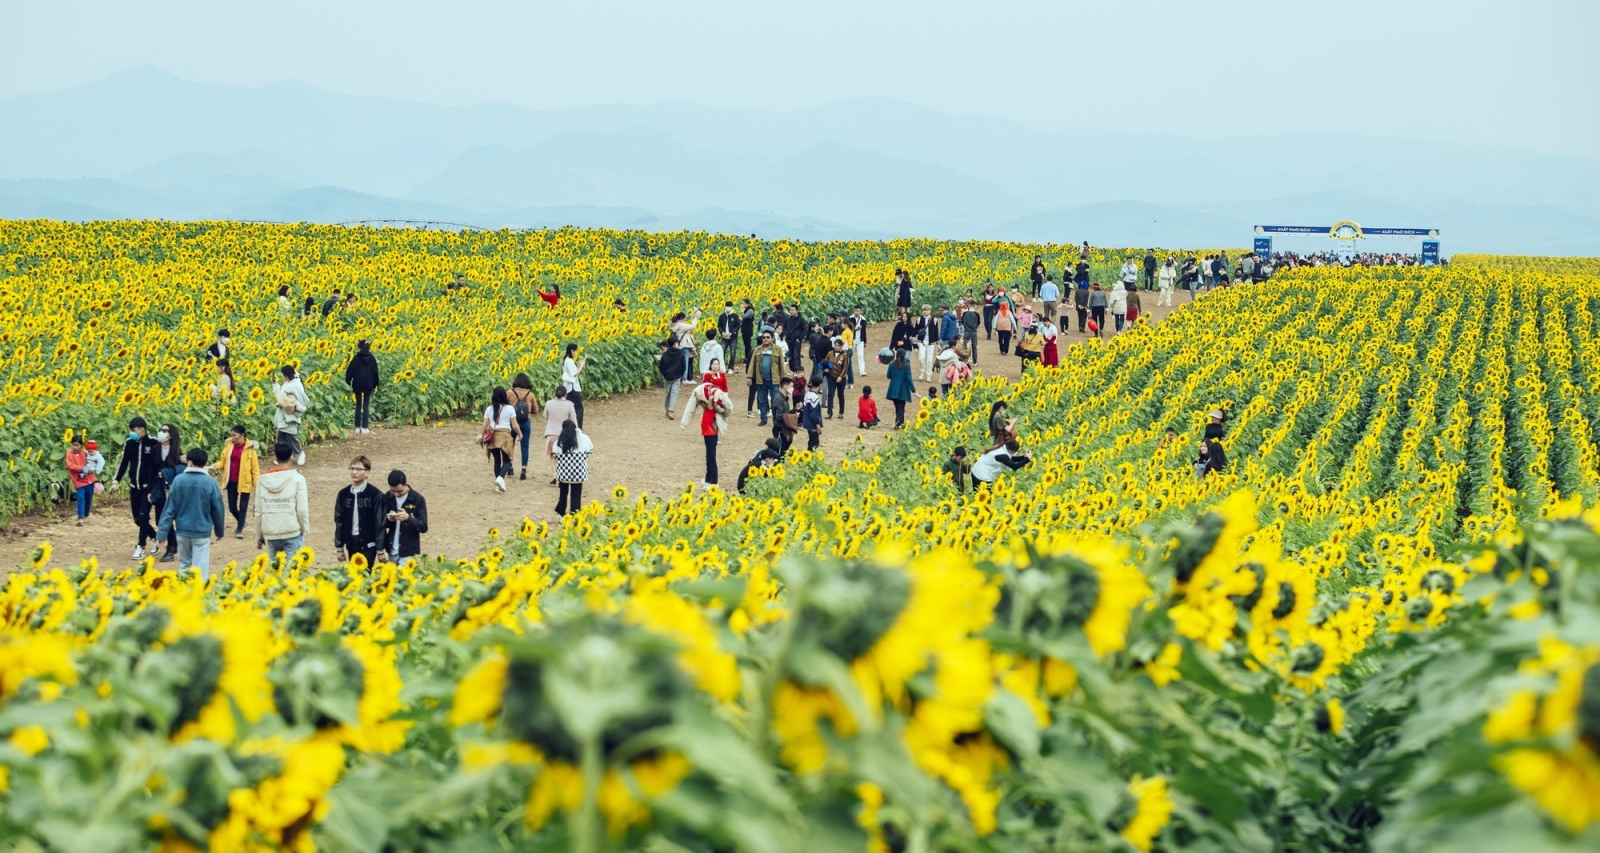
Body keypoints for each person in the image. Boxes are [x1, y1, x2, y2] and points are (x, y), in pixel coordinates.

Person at [154, 448, 226, 578]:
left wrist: (161, 534)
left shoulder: (178, 480)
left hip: (182, 531)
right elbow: (218, 508)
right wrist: (219, 531)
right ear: (204, 464)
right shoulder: (210, 482)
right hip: (201, 531)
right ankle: (199, 594)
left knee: (184, 565)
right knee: (200, 568)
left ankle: (183, 593)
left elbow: (169, 509)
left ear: (190, 463)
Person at [109, 417, 162, 558]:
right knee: (138, 519)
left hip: (148, 488)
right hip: (134, 487)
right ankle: (155, 537)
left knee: (144, 517)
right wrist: (116, 482)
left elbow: (159, 464)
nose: (131, 433)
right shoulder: (129, 443)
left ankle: (140, 547)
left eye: (134, 430)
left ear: (142, 430)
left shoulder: (154, 443)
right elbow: (123, 464)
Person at [255, 441, 310, 566]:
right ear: (292, 457)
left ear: (274, 457)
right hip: (292, 530)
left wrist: (259, 535)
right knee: (291, 574)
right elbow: (301, 510)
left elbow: (258, 510)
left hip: (271, 532)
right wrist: (303, 528)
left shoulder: (263, 480)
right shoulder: (298, 479)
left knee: (276, 574)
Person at [333, 455, 385, 566]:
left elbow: (380, 522)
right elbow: (339, 521)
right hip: (351, 542)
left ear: (367, 472)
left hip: (369, 543)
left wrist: (380, 549)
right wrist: (339, 547)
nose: (354, 472)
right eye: (352, 468)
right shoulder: (343, 494)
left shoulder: (375, 495)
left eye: (358, 469)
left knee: (365, 574)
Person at [209, 424, 259, 539]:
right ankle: (242, 521)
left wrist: (256, 483)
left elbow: (255, 468)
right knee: (232, 507)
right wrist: (215, 466)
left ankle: (239, 528)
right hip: (231, 480)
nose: (233, 438)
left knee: (243, 505)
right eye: (231, 435)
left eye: (235, 435)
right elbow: (223, 461)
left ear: (242, 435)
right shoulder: (229, 446)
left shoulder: (251, 449)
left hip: (245, 481)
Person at [152, 423, 185, 562]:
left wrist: (166, 473)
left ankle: (171, 547)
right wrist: (150, 490)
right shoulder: (155, 450)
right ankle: (174, 543)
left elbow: (182, 470)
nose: (161, 432)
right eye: (160, 430)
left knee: (171, 516)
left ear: (171, 434)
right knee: (160, 519)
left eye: (164, 430)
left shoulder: (178, 453)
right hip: (158, 488)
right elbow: (151, 471)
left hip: (172, 490)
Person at [381, 470, 428, 563]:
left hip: (409, 552)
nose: (396, 494)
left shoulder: (417, 499)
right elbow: (381, 523)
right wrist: (389, 519)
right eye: (392, 491)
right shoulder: (387, 497)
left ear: (406, 484)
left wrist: (408, 518)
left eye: (399, 491)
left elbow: (423, 527)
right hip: (392, 551)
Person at [482, 386, 521, 493]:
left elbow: (484, 425)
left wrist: (481, 436)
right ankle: (500, 478)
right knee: (508, 460)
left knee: (497, 461)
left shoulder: (489, 409)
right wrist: (520, 434)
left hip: (493, 436)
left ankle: (498, 485)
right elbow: (515, 426)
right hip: (505, 436)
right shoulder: (510, 408)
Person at [552, 420, 594, 516]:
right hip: (578, 472)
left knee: (563, 493)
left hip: (564, 473)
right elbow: (590, 450)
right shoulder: (583, 438)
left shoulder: (559, 440)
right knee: (576, 494)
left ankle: (561, 514)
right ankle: (575, 515)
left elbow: (555, 454)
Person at [748, 331, 787, 425]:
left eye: (768, 337)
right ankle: (764, 419)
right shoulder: (757, 349)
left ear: (772, 339)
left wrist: (784, 380)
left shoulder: (777, 349)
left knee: (776, 400)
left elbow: (782, 365)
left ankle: (776, 419)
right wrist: (749, 377)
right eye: (764, 337)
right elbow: (752, 364)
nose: (765, 339)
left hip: (774, 380)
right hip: (761, 380)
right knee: (762, 400)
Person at [273, 365, 309, 466]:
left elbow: (299, 400)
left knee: (292, 437)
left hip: (291, 415)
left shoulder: (296, 385)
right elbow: (281, 396)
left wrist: (289, 404)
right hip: (283, 414)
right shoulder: (287, 383)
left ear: (285, 375)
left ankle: (300, 453)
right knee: (281, 437)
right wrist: (275, 385)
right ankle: (281, 457)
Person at [344, 339, 381, 434]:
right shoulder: (372, 358)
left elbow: (350, 370)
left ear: (359, 347)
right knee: (366, 406)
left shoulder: (356, 358)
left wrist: (348, 382)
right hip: (368, 385)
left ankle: (357, 427)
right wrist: (375, 385)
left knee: (358, 405)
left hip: (357, 384)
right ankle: (365, 428)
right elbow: (375, 372)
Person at [508, 374, 540, 480]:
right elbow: (536, 410)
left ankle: (510, 467)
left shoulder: (509, 393)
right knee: (525, 446)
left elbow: (503, 406)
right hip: (526, 422)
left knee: (510, 444)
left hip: (512, 422)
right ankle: (523, 470)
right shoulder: (530, 395)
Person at [542, 386, 578, 481]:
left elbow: (545, 415)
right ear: (565, 394)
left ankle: (554, 474)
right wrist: (577, 430)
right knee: (564, 454)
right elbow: (573, 419)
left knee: (552, 454)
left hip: (551, 433)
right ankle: (563, 474)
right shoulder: (569, 404)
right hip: (564, 433)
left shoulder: (549, 403)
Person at [66, 436, 97, 526]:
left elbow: (93, 461)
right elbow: (70, 466)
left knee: (88, 498)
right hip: (78, 481)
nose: (75, 447)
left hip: (90, 480)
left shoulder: (85, 454)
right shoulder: (69, 454)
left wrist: (92, 467)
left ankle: (86, 515)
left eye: (77, 445)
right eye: (73, 445)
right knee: (81, 498)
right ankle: (80, 518)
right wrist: (83, 469)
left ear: (81, 445)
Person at [885, 349, 915, 430]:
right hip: (903, 389)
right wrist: (913, 388)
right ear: (904, 355)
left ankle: (898, 422)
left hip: (893, 389)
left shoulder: (891, 364)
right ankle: (899, 422)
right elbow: (909, 377)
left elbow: (888, 376)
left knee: (897, 407)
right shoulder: (907, 365)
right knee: (901, 407)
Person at [671, 308, 704, 379]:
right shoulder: (681, 325)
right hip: (684, 345)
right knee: (685, 363)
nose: (686, 319)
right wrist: (695, 318)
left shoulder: (676, 325)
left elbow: (687, 329)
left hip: (679, 345)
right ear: (681, 318)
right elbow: (693, 326)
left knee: (680, 362)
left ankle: (680, 377)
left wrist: (690, 317)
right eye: (685, 318)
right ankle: (685, 378)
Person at [659, 338, 686, 418]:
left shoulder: (665, 354)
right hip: (677, 376)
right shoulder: (680, 353)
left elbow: (661, 366)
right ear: (675, 343)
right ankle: (671, 411)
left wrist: (664, 374)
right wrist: (681, 374)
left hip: (667, 376)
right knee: (674, 393)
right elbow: (683, 365)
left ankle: (667, 410)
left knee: (668, 393)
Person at [561, 343, 586, 428]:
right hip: (573, 388)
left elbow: (572, 370)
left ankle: (571, 426)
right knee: (579, 408)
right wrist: (582, 366)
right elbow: (575, 374)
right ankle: (578, 427)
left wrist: (577, 365)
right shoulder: (569, 360)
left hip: (569, 388)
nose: (576, 353)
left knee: (571, 407)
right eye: (575, 351)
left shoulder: (566, 360)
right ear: (572, 350)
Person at [823, 338, 849, 419]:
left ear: (841, 346)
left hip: (841, 377)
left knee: (840, 395)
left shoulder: (844, 355)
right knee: (830, 394)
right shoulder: (830, 353)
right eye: (835, 345)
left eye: (838, 345)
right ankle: (829, 412)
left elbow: (845, 367)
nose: (837, 347)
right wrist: (825, 369)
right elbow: (824, 362)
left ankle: (841, 412)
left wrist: (841, 376)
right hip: (831, 376)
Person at [772, 376, 798, 452]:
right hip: (780, 429)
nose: (793, 389)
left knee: (784, 452)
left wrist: (795, 409)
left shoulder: (785, 398)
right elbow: (779, 416)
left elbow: (785, 413)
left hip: (784, 428)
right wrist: (793, 416)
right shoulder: (779, 399)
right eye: (791, 386)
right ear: (785, 387)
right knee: (780, 453)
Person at [913, 305, 937, 382]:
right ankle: (922, 372)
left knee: (929, 360)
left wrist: (938, 343)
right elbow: (914, 332)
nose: (925, 311)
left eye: (927, 310)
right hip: (921, 342)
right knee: (921, 358)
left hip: (931, 343)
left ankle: (928, 375)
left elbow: (936, 332)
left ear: (930, 311)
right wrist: (915, 344)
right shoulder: (919, 319)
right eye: (924, 310)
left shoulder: (934, 320)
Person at [801, 378, 825, 450]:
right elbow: (814, 414)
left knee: (812, 442)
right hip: (812, 424)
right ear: (820, 385)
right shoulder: (814, 397)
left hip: (808, 423)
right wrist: (817, 425)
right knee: (814, 444)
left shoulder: (808, 394)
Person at [717, 302, 741, 371]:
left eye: (729, 306)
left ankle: (730, 367)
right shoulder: (722, 316)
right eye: (727, 306)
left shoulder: (735, 316)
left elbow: (738, 326)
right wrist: (722, 332)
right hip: (724, 337)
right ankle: (721, 367)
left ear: (732, 307)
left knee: (733, 352)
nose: (728, 307)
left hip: (733, 337)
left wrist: (732, 332)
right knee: (722, 352)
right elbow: (719, 325)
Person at [849, 305, 869, 378]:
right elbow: (849, 328)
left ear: (860, 311)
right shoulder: (851, 318)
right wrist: (855, 329)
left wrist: (865, 341)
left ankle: (862, 371)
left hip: (860, 340)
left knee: (860, 355)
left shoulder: (863, 319)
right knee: (850, 355)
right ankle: (848, 370)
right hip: (852, 340)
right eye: (855, 310)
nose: (856, 312)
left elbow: (864, 331)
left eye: (857, 311)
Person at [739, 299, 757, 372]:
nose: (742, 305)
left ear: (747, 304)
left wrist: (742, 310)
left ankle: (748, 358)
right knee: (746, 344)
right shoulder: (747, 309)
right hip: (745, 329)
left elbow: (744, 316)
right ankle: (747, 357)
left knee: (748, 344)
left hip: (748, 330)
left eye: (743, 303)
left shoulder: (750, 310)